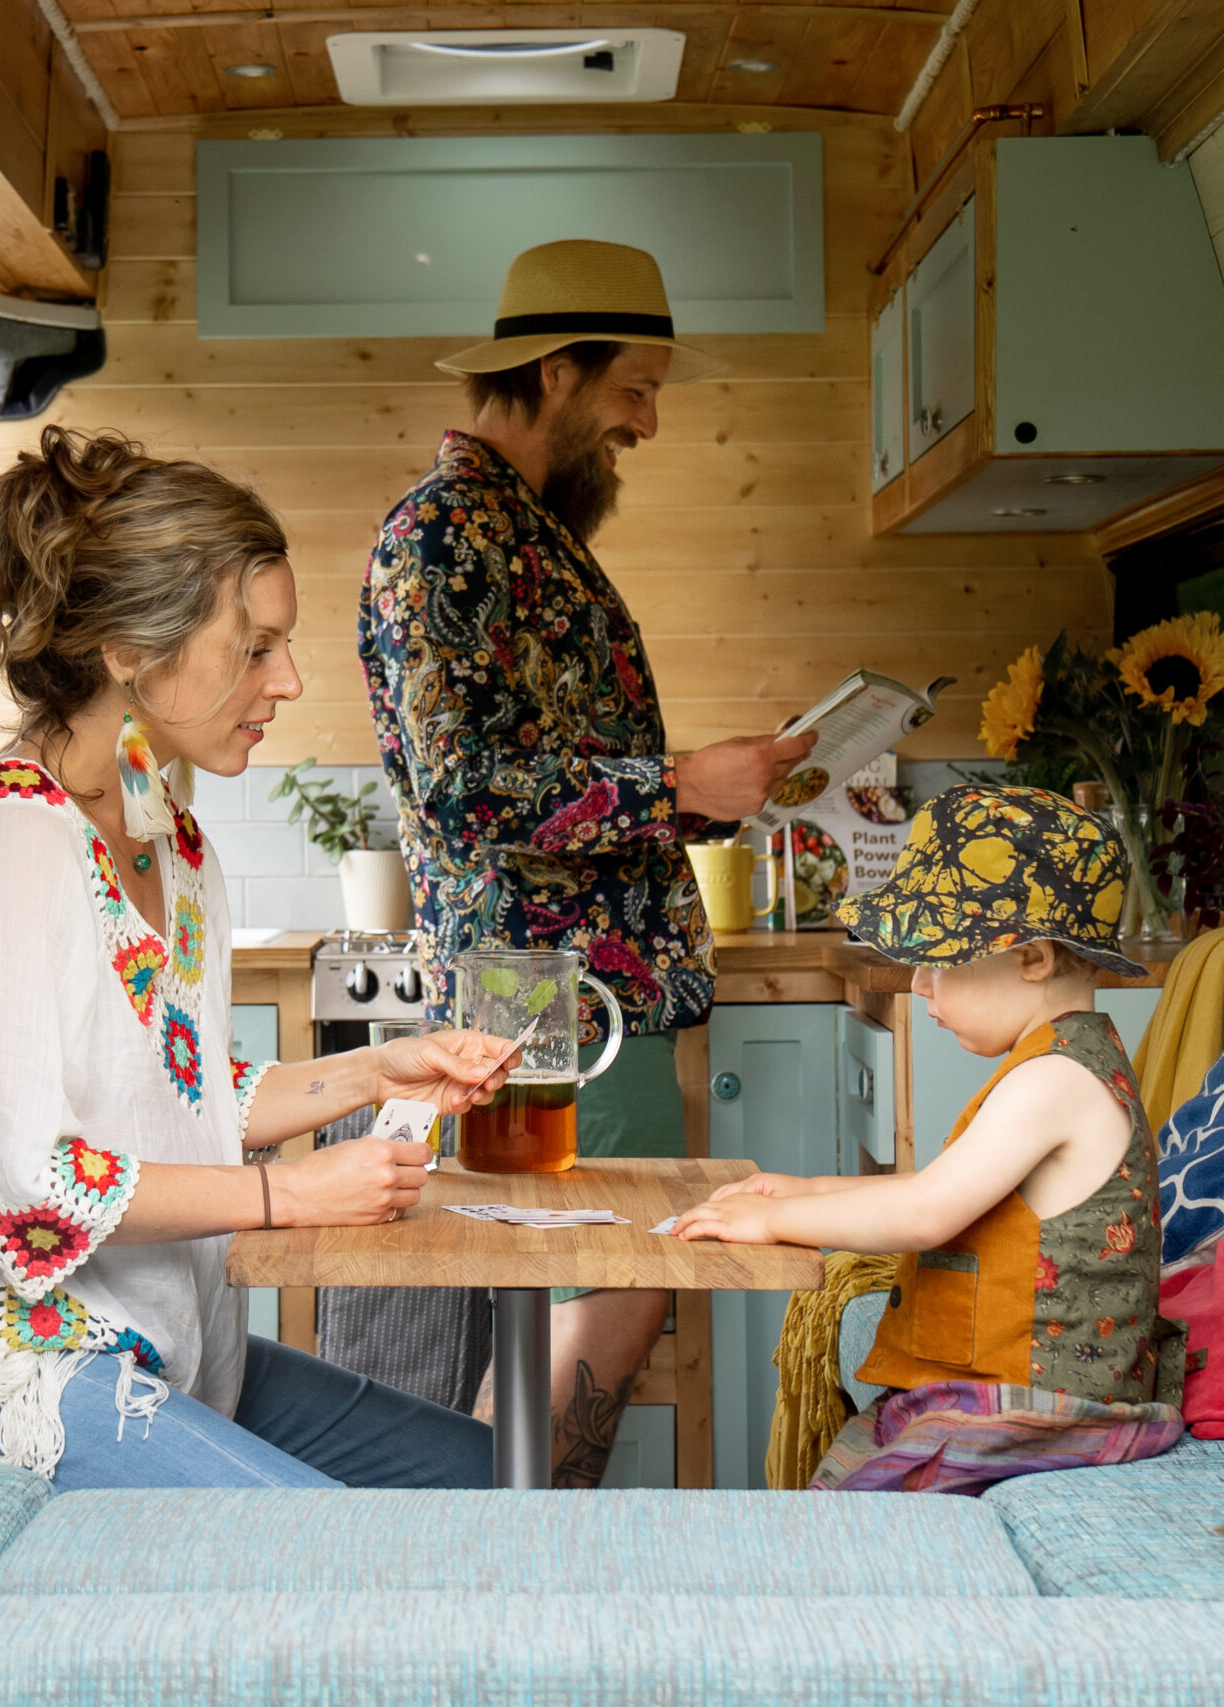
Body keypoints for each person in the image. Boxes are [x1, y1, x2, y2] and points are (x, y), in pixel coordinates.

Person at [0, 426, 517, 1490]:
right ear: (129, 648)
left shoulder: (169, 841)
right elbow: (29, 1190)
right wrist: (290, 1198)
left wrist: (370, 1074)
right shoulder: (4, 840)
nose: (290, 678)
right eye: (255, 646)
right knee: (355, 1556)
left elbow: (174, 1090)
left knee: (483, 1475)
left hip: (137, 1345)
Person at [359, 240, 815, 1486]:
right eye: (635, 389)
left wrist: (701, 800)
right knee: (605, 1273)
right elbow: (461, 795)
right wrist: (672, 784)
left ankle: (511, 1552)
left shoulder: (519, 534)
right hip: (545, 984)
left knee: (579, 1277)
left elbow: (544, 774)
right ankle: (511, 1552)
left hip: (578, 979)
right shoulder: (449, 535)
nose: (649, 424)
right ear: (558, 371)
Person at [672, 786, 1187, 1493]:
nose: (919, 986)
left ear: (1033, 957)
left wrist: (771, 1220)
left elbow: (924, 1214)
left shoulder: (1056, 1080)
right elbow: (939, 1188)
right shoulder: (1056, 1059)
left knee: (854, 1496)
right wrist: (802, 1188)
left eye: (940, 961)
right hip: (1019, 1387)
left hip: (1052, 1406)